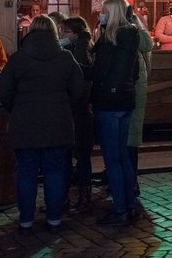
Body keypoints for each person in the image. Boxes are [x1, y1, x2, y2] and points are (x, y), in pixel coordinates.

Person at [0, 15, 86, 234]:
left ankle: (26, 221)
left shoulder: (19, 58)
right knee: (54, 172)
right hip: (58, 122)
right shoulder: (65, 57)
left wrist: (16, 108)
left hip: (25, 123)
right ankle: (54, 220)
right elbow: (78, 90)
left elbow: (3, 91)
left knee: (26, 172)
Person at [90, 0, 141, 225]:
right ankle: (129, 205)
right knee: (123, 157)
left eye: (104, 11)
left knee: (113, 159)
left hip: (109, 102)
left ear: (112, 13)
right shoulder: (129, 35)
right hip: (125, 99)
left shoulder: (112, 39)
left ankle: (121, 210)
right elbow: (133, 70)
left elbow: (101, 70)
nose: (102, 14)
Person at [63, 15, 95, 211]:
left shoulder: (80, 48)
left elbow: (79, 77)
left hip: (78, 108)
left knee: (79, 154)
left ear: (75, 33)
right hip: (82, 108)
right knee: (82, 154)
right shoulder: (81, 45)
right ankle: (83, 195)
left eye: (66, 31)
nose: (62, 35)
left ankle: (80, 197)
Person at [127, 13, 154, 196]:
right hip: (131, 92)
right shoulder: (141, 44)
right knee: (130, 140)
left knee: (127, 140)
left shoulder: (132, 40)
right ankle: (130, 182)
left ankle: (129, 183)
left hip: (126, 94)